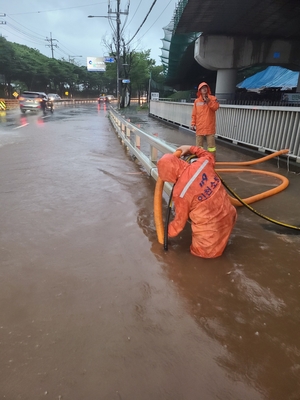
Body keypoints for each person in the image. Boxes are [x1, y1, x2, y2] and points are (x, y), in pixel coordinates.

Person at [157, 145, 237, 258]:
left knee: (201, 259)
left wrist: (163, 233)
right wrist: (190, 148)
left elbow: (179, 224)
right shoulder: (202, 164)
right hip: (229, 214)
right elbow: (208, 154)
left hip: (209, 232)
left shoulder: (180, 193)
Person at [191, 82, 219, 159]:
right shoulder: (197, 101)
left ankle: (211, 160)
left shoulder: (213, 98)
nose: (204, 89)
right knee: (199, 145)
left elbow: (216, 107)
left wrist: (209, 101)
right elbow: (194, 113)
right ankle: (200, 159)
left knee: (211, 146)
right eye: (202, 88)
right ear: (200, 90)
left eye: (205, 87)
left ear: (208, 89)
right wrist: (193, 123)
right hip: (200, 126)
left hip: (209, 126)